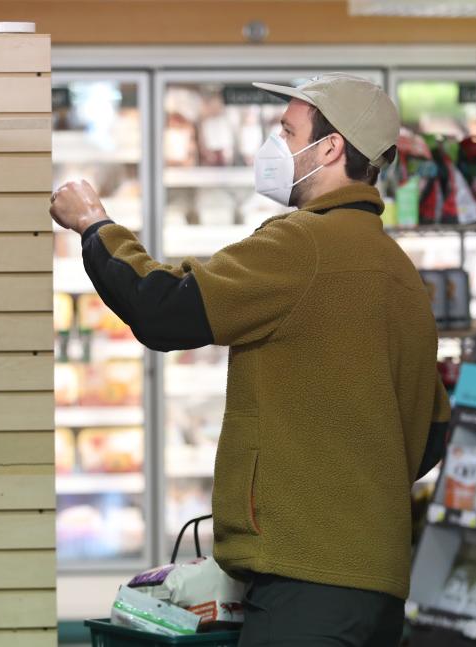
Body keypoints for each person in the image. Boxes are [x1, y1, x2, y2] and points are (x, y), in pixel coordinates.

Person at [50, 72, 451, 647]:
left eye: (287, 131)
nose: (274, 142)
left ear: (331, 148)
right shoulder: (400, 271)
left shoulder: (304, 244)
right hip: (377, 587)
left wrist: (94, 224)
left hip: (305, 584)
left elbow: (164, 309)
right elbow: (432, 433)